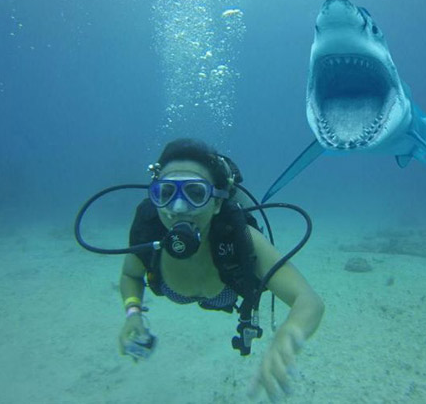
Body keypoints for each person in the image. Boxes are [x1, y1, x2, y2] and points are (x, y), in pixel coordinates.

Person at [118, 138, 324, 401]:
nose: (178, 208)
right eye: (166, 193)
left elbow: (309, 301)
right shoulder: (149, 235)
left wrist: (289, 333)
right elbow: (130, 275)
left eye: (195, 193)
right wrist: (133, 312)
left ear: (217, 203)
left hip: (225, 296)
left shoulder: (240, 238)